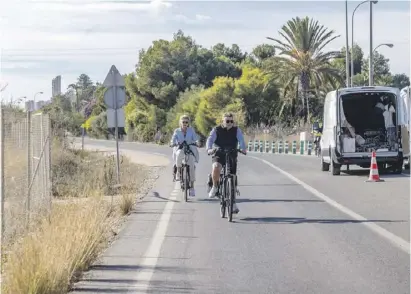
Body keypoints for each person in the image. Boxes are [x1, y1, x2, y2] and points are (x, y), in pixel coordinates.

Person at [206, 112, 247, 214]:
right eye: (227, 121)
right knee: (216, 167)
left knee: (232, 177)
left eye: (231, 121)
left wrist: (243, 149)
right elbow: (210, 140)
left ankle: (233, 203)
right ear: (222, 121)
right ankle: (215, 186)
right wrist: (209, 149)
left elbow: (241, 140)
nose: (229, 123)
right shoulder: (217, 129)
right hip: (219, 152)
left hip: (232, 153)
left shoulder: (236, 130)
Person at [170, 115, 200, 197]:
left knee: (191, 166)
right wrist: (172, 143)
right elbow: (173, 138)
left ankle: (192, 187)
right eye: (183, 122)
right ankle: (178, 172)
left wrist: (197, 142)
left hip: (189, 149)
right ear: (180, 122)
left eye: (186, 122)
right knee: (179, 154)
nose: (185, 123)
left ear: (188, 123)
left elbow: (195, 138)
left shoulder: (191, 130)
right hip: (180, 148)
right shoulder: (177, 131)